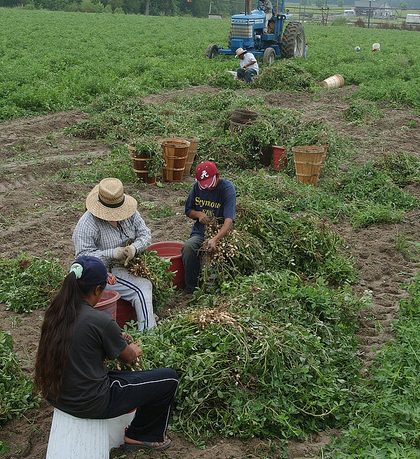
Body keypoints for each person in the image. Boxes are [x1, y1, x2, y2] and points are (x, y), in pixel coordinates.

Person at [34, 256, 178, 451]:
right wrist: (133, 349)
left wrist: (112, 338)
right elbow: (128, 358)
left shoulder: (56, 312)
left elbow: (83, 344)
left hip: (57, 396)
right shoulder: (99, 320)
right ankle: (140, 435)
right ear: (97, 290)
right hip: (91, 402)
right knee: (168, 379)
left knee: (129, 379)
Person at [72, 177, 155, 331]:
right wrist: (112, 253)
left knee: (149, 282)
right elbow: (82, 259)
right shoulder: (87, 224)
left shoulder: (130, 213)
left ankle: (143, 318)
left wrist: (133, 249)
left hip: (127, 266)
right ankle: (149, 334)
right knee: (142, 287)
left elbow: (145, 235)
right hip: (102, 273)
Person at [182, 161, 236, 293]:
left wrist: (216, 239)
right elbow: (188, 210)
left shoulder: (227, 189)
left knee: (218, 257)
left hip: (221, 232)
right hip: (200, 232)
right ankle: (192, 288)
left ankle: (217, 289)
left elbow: (229, 220)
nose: (208, 188)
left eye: (210, 184)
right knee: (188, 248)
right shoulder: (196, 188)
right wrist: (198, 214)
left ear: (217, 176)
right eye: (204, 185)